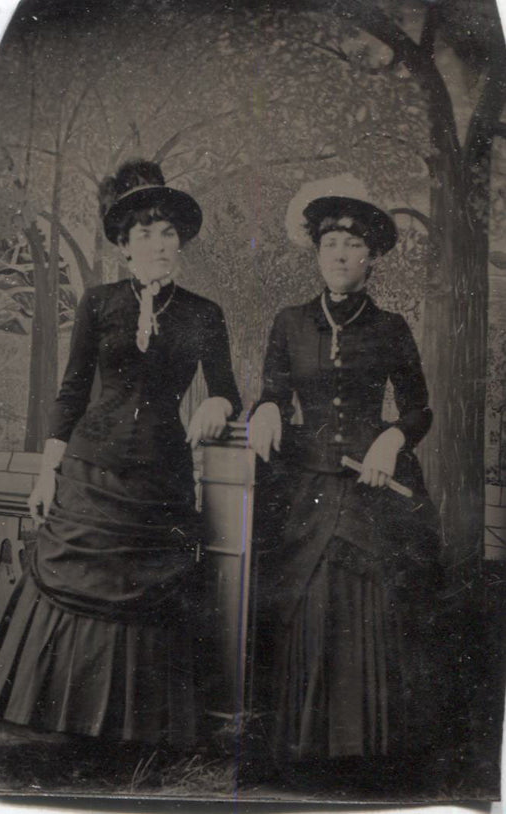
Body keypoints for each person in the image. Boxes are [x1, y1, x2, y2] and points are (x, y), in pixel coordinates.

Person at [0, 160, 241, 767]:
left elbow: (228, 388)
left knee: (147, 595)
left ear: (181, 244)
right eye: (144, 233)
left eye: (167, 232)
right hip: (89, 470)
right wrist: (47, 471)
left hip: (161, 476)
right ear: (123, 247)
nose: (158, 243)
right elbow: (71, 392)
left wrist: (219, 404)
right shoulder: (98, 304)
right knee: (74, 582)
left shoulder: (204, 314)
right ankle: (57, 720)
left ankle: (134, 732)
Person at [248, 178, 439, 776]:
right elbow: (274, 389)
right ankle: (301, 748)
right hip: (304, 480)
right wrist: (269, 408)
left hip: (369, 484)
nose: (339, 254)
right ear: (316, 253)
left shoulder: (392, 328)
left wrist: (391, 437)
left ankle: (366, 749)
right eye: (330, 242)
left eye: (352, 246)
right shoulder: (289, 322)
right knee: (301, 594)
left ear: (371, 259)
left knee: (361, 592)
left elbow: (418, 408)